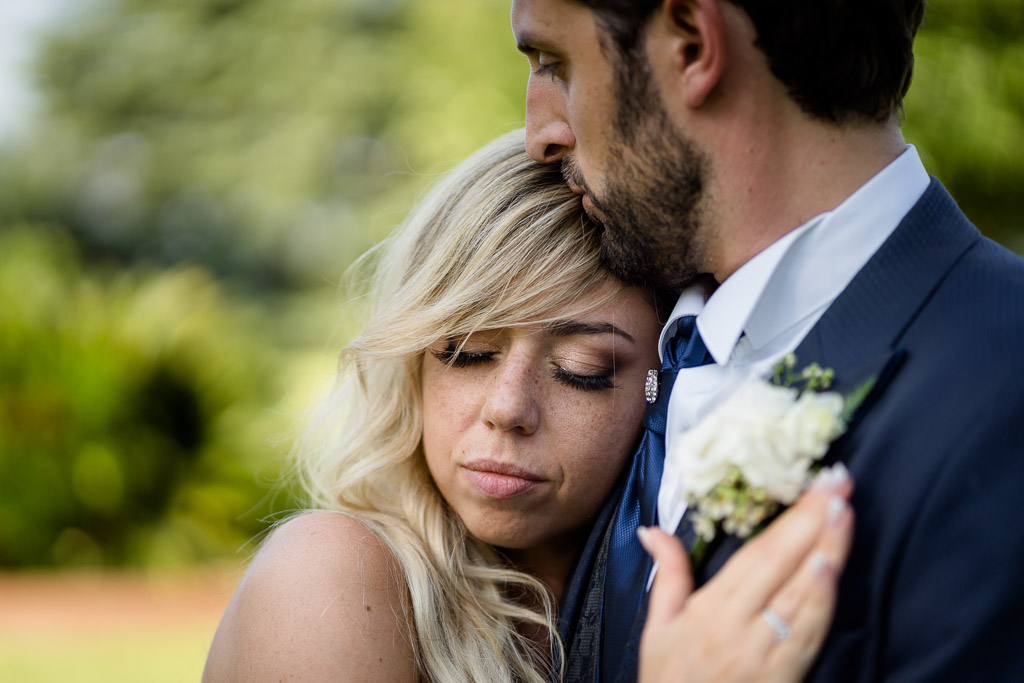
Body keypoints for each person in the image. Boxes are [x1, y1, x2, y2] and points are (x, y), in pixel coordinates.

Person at [201, 130, 856, 683]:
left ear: (662, 386)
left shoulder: (692, 585)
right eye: (467, 352)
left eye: (583, 371)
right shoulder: (328, 572)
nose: (508, 408)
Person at [510, 0, 1024, 681]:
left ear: (693, 43)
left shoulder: (1002, 388)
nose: (537, 137)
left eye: (555, 63)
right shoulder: (640, 346)